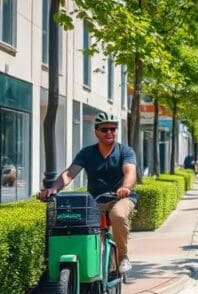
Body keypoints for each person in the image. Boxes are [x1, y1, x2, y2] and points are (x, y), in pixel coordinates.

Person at [38, 111, 137, 273]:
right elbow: (69, 174)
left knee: (118, 215)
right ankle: (87, 271)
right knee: (82, 225)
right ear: (96, 132)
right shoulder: (87, 153)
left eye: (113, 129)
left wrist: (125, 187)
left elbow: (130, 173)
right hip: (96, 200)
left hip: (121, 198)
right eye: (104, 129)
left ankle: (123, 257)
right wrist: (53, 188)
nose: (109, 133)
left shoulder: (125, 151)